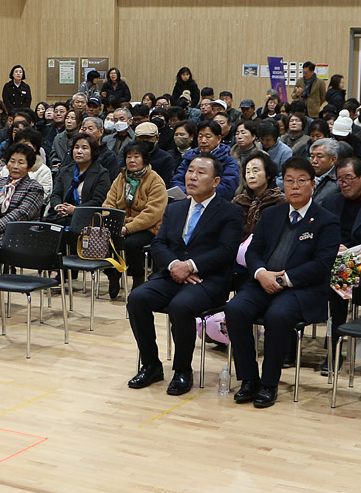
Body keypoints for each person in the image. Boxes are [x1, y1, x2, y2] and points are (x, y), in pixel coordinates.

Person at [227, 158, 342, 407]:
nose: (295, 186)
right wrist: (260, 273)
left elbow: (321, 265)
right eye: (289, 181)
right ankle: (248, 379)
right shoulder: (271, 214)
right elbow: (253, 251)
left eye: (301, 181)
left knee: (277, 316)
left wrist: (283, 279)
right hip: (264, 281)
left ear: (313, 184)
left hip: (302, 289)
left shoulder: (326, 220)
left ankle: (269, 383)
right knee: (235, 309)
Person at [125, 154, 244, 396]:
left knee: (181, 306)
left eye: (201, 173)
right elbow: (158, 243)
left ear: (216, 181)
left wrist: (190, 266)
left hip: (207, 280)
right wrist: (174, 266)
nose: (192, 177)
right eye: (190, 171)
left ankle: (182, 370)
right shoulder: (174, 208)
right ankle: (151, 365)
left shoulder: (230, 211)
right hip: (171, 275)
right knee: (137, 298)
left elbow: (226, 251)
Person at [0, 141, 49, 321]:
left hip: (18, 236)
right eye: (12, 161)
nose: (15, 166)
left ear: (29, 167)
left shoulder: (34, 188)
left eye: (21, 162)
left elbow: (20, 214)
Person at [104, 140, 168, 299]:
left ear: (145, 159)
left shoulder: (155, 180)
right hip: (120, 225)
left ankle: (138, 277)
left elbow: (153, 213)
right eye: (128, 157)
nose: (131, 160)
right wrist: (112, 224)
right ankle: (113, 273)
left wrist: (128, 228)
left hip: (148, 227)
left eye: (136, 157)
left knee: (131, 243)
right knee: (106, 237)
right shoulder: (120, 177)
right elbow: (108, 204)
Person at [46, 131, 114, 228]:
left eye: (84, 148)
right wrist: (58, 207)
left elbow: (98, 201)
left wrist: (75, 210)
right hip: (62, 216)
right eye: (76, 147)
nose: (79, 151)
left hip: (87, 218)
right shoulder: (65, 170)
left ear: (93, 151)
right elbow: (56, 194)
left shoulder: (101, 173)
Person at [172, 120, 240, 199]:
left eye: (208, 137)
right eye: (200, 136)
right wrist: (187, 194)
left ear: (218, 139)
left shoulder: (228, 161)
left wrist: (200, 195)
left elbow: (227, 187)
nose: (203, 141)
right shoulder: (189, 157)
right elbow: (177, 180)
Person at [233, 151, 289, 239]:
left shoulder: (280, 202)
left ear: (268, 174)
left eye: (255, 171)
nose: (251, 176)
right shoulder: (238, 201)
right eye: (248, 172)